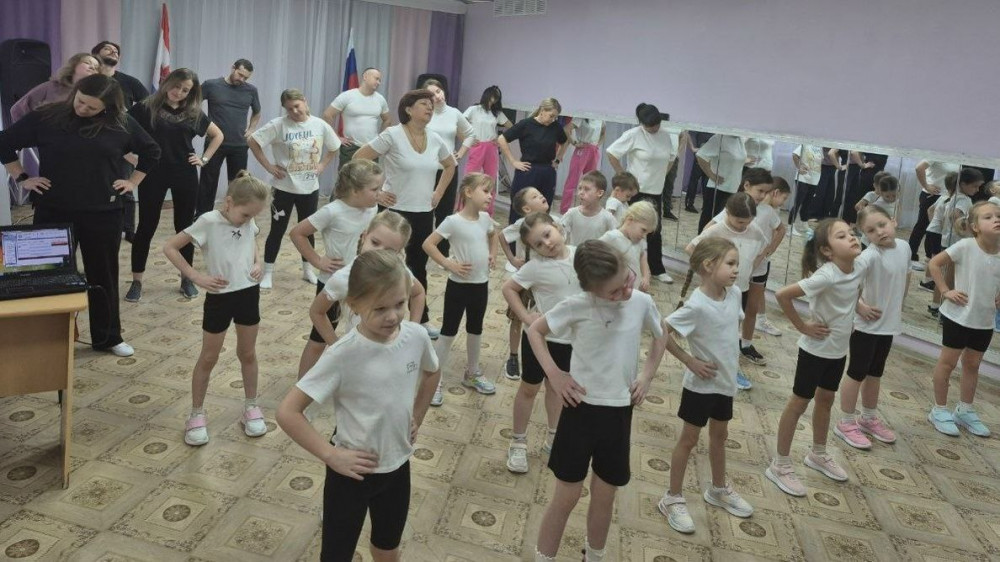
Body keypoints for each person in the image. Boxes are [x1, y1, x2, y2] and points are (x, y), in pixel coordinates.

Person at [276, 249, 440, 561]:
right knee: (337, 554)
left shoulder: (416, 336)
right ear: (354, 305)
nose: (393, 316)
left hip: (398, 466)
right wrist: (330, 455)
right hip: (350, 475)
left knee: (387, 548)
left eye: (400, 304)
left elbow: (432, 372)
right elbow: (287, 411)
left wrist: (417, 416)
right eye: (380, 308)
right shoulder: (343, 354)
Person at [0, 74, 160, 357]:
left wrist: (132, 182)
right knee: (47, 275)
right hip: (54, 210)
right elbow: (4, 142)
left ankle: (108, 337)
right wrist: (22, 177)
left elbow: (151, 151)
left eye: (91, 107)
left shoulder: (121, 123)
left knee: (103, 275)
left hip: (103, 213)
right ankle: (44, 339)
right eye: (80, 101)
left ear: (107, 107)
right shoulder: (47, 117)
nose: (82, 108)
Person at [528, 239, 663, 562]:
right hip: (580, 411)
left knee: (604, 498)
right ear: (591, 289)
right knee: (566, 497)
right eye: (614, 292)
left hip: (619, 414)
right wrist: (555, 374)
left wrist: (646, 376)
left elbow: (661, 335)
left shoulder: (641, 302)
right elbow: (535, 331)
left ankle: (594, 556)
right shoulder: (578, 305)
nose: (625, 292)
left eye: (627, 281)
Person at [162, 171, 269, 446]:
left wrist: (257, 262)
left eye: (252, 216)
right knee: (209, 357)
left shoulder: (248, 217)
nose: (248, 220)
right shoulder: (208, 221)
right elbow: (170, 247)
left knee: (248, 353)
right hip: (220, 298)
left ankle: (251, 406)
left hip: (248, 293)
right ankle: (196, 413)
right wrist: (195, 276)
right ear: (229, 202)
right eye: (245, 214)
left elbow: (252, 238)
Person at [657, 238, 753, 534]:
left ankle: (718, 489)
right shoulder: (696, 305)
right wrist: (689, 360)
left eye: (737, 264)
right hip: (700, 386)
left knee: (720, 436)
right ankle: (672, 498)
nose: (736, 270)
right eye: (731, 263)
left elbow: (729, 331)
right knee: (688, 440)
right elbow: (661, 331)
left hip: (724, 383)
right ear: (709, 266)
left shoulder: (734, 293)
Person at [767, 219, 867, 497]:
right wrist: (802, 326)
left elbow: (854, 291)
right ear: (826, 251)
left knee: (826, 400)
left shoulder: (859, 266)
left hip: (838, 351)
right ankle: (780, 464)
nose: (852, 237)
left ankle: (818, 454)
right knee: (799, 403)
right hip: (815, 351)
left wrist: (857, 310)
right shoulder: (826, 275)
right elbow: (782, 295)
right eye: (841, 236)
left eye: (851, 233)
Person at [354, 89, 456, 339]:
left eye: (431, 104)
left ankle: (420, 321)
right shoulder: (392, 134)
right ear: (408, 109)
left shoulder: (435, 138)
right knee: (383, 265)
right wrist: (377, 193)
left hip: (423, 212)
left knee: (418, 267)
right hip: (393, 213)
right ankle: (369, 312)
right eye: (424, 103)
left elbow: (450, 165)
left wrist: (439, 192)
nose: (430, 107)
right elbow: (359, 158)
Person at [125, 68, 224, 302]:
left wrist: (204, 159)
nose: (178, 92)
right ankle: (137, 281)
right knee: (146, 226)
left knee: (185, 228)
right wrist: (133, 158)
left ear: (191, 92)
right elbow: (120, 133)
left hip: (184, 173)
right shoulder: (145, 107)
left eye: (185, 90)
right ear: (167, 82)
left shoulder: (193, 112)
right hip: (152, 173)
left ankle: (186, 278)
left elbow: (218, 135)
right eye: (176, 86)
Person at [502, 212, 581, 473]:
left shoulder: (580, 255)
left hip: (570, 341)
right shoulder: (535, 267)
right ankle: (518, 442)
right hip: (540, 340)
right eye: (538, 243)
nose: (547, 243)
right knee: (529, 388)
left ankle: (553, 438)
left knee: (558, 389)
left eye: (547, 234)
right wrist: (526, 317)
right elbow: (508, 289)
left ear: (557, 227)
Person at [291, 161, 381, 378]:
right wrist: (317, 261)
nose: (379, 194)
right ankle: (302, 384)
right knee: (319, 338)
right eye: (375, 189)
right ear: (355, 190)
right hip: (333, 282)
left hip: (363, 281)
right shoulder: (332, 211)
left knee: (364, 331)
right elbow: (297, 233)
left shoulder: (373, 208)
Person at [834, 206, 910, 450]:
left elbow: (906, 275)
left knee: (875, 373)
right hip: (866, 327)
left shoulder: (905, 247)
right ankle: (846, 422)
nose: (879, 232)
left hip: (888, 326)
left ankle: (868, 418)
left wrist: (899, 305)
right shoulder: (868, 256)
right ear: (865, 235)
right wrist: (860, 307)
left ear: (893, 221)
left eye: (882, 225)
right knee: (857, 372)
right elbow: (845, 284)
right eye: (871, 230)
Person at [249, 89, 340, 289]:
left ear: (304, 102)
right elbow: (253, 141)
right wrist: (269, 167)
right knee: (277, 230)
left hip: (310, 189)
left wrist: (322, 165)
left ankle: (308, 270)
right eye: (289, 109)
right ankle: (268, 273)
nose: (295, 111)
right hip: (284, 189)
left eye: (297, 106)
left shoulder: (320, 125)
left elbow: (335, 146)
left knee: (307, 231)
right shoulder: (279, 125)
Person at [422, 173, 499, 405]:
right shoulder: (452, 221)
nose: (490, 196)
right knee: (448, 332)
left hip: (480, 285)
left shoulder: (485, 218)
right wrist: (448, 264)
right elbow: (428, 244)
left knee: (476, 329)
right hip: (458, 286)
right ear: (468, 192)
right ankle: (434, 379)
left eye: (491, 192)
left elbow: (494, 235)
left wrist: (493, 254)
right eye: (485, 191)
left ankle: (472, 373)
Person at [927, 201, 1000, 437]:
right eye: (988, 217)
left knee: (973, 365)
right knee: (947, 363)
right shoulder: (966, 246)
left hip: (984, 320)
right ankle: (939, 410)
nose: (996, 219)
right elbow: (934, 264)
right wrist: (945, 291)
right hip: (958, 317)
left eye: (998, 215)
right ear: (975, 226)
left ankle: (965, 410)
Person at [692, 189, 772, 390]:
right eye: (739, 222)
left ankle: (729, 369)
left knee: (730, 333)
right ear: (727, 213)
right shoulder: (716, 231)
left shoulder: (755, 232)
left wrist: (750, 269)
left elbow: (761, 252)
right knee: (713, 331)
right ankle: (707, 365)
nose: (743, 226)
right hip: (716, 291)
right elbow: (692, 249)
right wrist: (709, 275)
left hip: (739, 291)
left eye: (748, 222)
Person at [607, 103, 676, 283]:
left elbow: (670, 158)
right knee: (632, 229)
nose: (654, 128)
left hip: (656, 190)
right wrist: (624, 177)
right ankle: (625, 265)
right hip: (636, 192)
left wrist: (662, 175)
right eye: (650, 126)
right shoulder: (633, 135)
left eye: (656, 124)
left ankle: (657, 269)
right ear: (642, 123)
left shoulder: (666, 136)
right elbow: (612, 153)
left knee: (655, 230)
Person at [499, 187, 552, 381]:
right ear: (527, 209)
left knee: (543, 316)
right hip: (524, 280)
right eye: (535, 196)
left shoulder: (553, 221)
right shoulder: (522, 224)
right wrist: (512, 259)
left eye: (540, 194)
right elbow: (502, 236)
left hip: (546, 280)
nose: (541, 196)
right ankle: (513, 357)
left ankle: (543, 356)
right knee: (517, 317)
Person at [197, 59, 262, 215]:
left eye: (246, 77)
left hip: (239, 145)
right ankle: (202, 216)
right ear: (233, 68)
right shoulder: (211, 85)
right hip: (214, 144)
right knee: (208, 182)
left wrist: (251, 129)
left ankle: (234, 214)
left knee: (238, 184)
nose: (242, 79)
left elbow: (257, 112)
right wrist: (202, 124)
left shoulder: (251, 90)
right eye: (240, 74)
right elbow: (194, 102)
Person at [422, 78, 476, 246]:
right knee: (424, 210)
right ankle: (422, 247)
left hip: (449, 170)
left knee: (444, 213)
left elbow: (471, 134)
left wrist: (460, 154)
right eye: (432, 95)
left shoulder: (454, 113)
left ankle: (442, 251)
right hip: (426, 170)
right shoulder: (424, 114)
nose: (437, 97)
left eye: (438, 91)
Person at [498, 98, 569, 222]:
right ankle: (515, 234)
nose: (553, 119)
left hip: (547, 172)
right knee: (520, 208)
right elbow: (501, 139)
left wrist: (557, 159)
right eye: (551, 116)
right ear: (542, 110)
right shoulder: (526, 124)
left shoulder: (555, 127)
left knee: (544, 209)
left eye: (555, 117)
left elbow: (565, 142)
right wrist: (513, 161)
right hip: (527, 171)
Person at [323, 67, 391, 167]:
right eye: (376, 79)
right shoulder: (347, 96)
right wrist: (337, 137)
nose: (378, 82)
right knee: (347, 176)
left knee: (371, 176)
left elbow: (387, 120)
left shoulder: (380, 99)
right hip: (351, 147)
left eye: (380, 80)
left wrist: (380, 139)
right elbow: (327, 115)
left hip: (371, 147)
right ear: (365, 77)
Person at [10, 53, 99, 122]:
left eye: (96, 68)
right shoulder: (51, 86)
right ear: (74, 65)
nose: (92, 67)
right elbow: (17, 110)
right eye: (87, 63)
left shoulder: (95, 95)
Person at [754, 177, 792, 337]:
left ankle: (760, 319)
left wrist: (770, 249)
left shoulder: (771, 211)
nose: (783, 203)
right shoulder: (756, 207)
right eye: (784, 198)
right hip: (748, 257)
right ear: (776, 192)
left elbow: (781, 230)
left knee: (758, 289)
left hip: (761, 260)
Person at [599, 200, 657, 292]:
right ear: (630, 220)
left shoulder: (639, 241)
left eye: (647, 233)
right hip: (616, 292)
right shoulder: (612, 237)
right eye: (643, 230)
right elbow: (593, 252)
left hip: (634, 290)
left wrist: (646, 276)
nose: (644, 236)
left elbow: (643, 256)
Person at [463, 85, 510, 200]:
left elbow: (512, 127)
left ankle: (488, 207)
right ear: (487, 95)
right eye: (493, 96)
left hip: (491, 146)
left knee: (490, 177)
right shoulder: (474, 109)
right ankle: (464, 205)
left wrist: (500, 138)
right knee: (470, 177)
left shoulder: (497, 113)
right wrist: (467, 138)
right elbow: (460, 123)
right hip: (477, 145)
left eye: (497, 97)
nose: (494, 100)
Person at [911, 160, 960, 270]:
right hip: (932, 195)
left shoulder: (958, 157)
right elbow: (919, 168)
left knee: (935, 229)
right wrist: (926, 186)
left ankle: (929, 259)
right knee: (922, 226)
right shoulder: (937, 154)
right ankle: (911, 256)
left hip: (947, 196)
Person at [696, 134, 747, 233]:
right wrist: (711, 175)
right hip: (718, 188)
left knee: (723, 223)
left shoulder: (740, 139)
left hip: (733, 188)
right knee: (709, 220)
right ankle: (701, 241)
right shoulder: (719, 138)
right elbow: (701, 155)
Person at [559, 171, 617, 247]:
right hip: (576, 253)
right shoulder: (572, 213)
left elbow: (616, 239)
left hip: (596, 254)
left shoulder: (607, 217)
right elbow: (560, 233)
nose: (581, 192)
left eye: (586, 189)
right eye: (580, 188)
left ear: (600, 193)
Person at [560, 117, 605, 214]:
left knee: (591, 181)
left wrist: (597, 145)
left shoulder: (601, 119)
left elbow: (603, 133)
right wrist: (574, 143)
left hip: (594, 150)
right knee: (572, 181)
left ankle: (586, 208)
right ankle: (565, 210)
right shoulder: (581, 118)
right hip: (582, 149)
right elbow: (566, 129)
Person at [91, 41, 147, 108]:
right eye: (107, 49)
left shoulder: (130, 81)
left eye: (116, 52)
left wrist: (132, 114)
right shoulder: (87, 78)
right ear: (96, 55)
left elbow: (150, 104)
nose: (113, 52)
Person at [789, 144, 823, 231]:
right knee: (798, 202)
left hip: (815, 179)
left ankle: (804, 223)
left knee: (808, 203)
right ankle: (790, 226)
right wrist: (799, 167)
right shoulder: (805, 144)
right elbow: (795, 155)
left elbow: (820, 162)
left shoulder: (820, 147)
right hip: (803, 177)